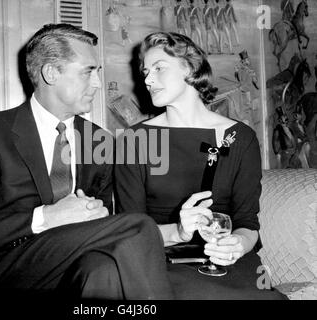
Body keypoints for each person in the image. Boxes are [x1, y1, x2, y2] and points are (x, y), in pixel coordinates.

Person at [0, 23, 173, 300]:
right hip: (1, 273)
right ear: (51, 73)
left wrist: (99, 215)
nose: (98, 83)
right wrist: (47, 217)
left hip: (72, 267)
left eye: (97, 72)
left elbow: (105, 222)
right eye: (88, 72)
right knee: (137, 226)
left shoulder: (99, 140)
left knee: (104, 269)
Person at [114, 31, 287, 299]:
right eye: (146, 71)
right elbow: (130, 232)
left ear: (191, 68)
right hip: (159, 261)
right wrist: (180, 232)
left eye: (159, 68)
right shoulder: (133, 140)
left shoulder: (240, 138)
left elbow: (247, 222)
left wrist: (237, 244)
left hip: (229, 262)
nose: (147, 79)